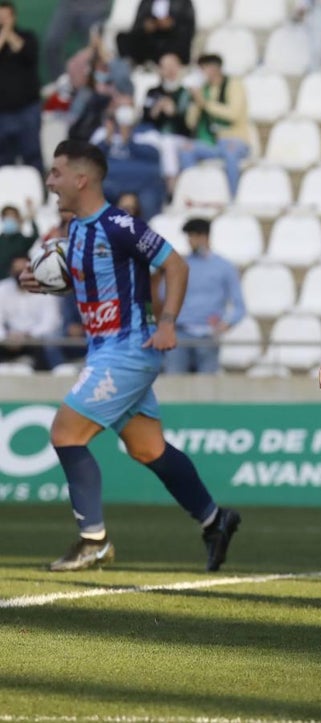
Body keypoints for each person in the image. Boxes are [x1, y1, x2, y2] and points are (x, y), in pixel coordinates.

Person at [19, 140, 241, 573]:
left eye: (56, 173)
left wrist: (168, 322)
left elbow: (175, 264)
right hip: (106, 350)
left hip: (127, 350)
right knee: (148, 449)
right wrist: (46, 283)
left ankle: (93, 541)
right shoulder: (78, 229)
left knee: (66, 434)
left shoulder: (120, 224)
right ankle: (215, 520)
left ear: (81, 178)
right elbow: (94, 282)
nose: (50, 181)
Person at [164, 218, 246, 374]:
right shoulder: (180, 265)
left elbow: (240, 306)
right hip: (180, 333)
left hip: (208, 334)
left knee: (206, 389)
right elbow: (164, 296)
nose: (189, 241)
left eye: (192, 237)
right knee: (174, 385)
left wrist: (226, 324)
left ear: (204, 237)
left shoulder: (224, 267)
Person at [179, 54, 252, 198]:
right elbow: (191, 123)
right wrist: (196, 101)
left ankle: (233, 197)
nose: (201, 73)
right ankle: (195, 194)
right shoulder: (203, 89)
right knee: (186, 149)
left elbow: (233, 114)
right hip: (211, 142)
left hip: (235, 139)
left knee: (230, 152)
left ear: (214, 69)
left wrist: (205, 103)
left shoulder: (234, 85)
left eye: (203, 69)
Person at [92, 98, 166, 221]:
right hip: (110, 184)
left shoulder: (148, 132)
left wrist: (129, 141)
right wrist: (106, 142)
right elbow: (91, 159)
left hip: (144, 184)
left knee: (150, 206)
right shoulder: (103, 132)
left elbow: (154, 156)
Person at [0, 1, 43, 173]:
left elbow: (27, 52)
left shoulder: (27, 36)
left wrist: (9, 32)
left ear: (14, 17)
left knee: (32, 155)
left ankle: (37, 192)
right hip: (2, 112)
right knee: (3, 158)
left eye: (6, 16)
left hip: (27, 110)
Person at [0, 255, 63, 371]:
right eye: (17, 271)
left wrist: (28, 335)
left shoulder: (45, 289)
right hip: (7, 341)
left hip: (36, 340)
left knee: (49, 346)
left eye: (24, 270)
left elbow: (51, 322)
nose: (21, 275)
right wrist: (6, 337)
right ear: (11, 271)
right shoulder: (3, 288)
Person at [142, 53, 193, 194]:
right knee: (141, 140)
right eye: (166, 67)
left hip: (180, 137)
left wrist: (174, 113)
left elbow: (190, 125)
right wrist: (156, 110)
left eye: (173, 66)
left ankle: (171, 187)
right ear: (160, 70)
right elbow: (145, 119)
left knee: (168, 143)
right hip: (156, 134)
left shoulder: (186, 94)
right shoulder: (153, 92)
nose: (170, 70)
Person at [43, 0, 111, 82]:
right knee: (52, 44)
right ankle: (62, 83)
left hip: (95, 8)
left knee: (94, 51)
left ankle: (91, 86)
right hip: (68, 6)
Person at [116, 0, 195, 65]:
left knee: (182, 39)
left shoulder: (184, 2)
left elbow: (190, 27)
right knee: (122, 38)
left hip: (171, 40)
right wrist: (146, 26)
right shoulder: (146, 2)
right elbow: (136, 26)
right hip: (151, 41)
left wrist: (172, 24)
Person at [0, 201, 39, 281]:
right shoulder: (1, 240)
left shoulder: (22, 240)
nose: (10, 219)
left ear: (17, 219)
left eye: (12, 216)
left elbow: (35, 235)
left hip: (21, 284)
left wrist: (31, 217)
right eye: (7, 216)